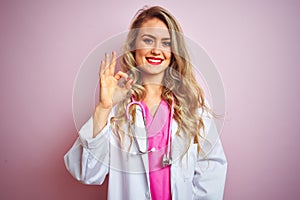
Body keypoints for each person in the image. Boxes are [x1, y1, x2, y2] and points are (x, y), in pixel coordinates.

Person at [64, 6, 227, 200]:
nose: (156, 50)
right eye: (148, 40)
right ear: (134, 45)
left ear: (174, 51)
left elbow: (212, 172)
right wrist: (103, 108)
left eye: (166, 43)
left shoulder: (193, 107)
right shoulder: (117, 110)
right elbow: (87, 173)